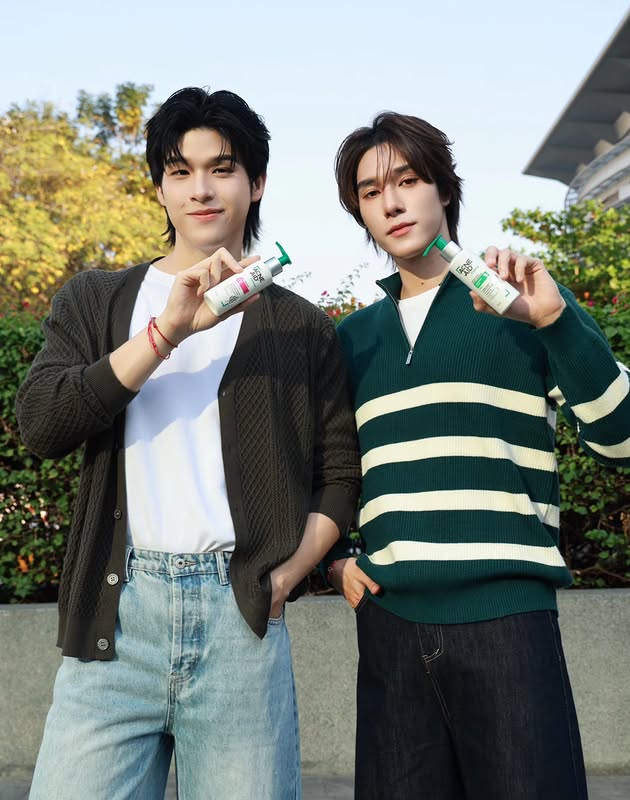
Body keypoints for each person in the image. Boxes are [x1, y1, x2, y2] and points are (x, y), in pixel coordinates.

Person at [16, 86, 360, 800]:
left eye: (221, 168)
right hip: (116, 618)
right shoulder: (96, 299)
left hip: (241, 617)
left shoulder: (301, 327)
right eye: (180, 171)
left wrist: (285, 577)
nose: (200, 188)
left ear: (256, 182)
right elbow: (42, 424)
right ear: (160, 188)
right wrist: (167, 332)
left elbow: (337, 473)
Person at [327, 111, 630, 800]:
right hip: (390, 627)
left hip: (508, 624)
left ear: (444, 189)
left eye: (409, 180)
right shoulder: (353, 338)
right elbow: (330, 468)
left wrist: (555, 322)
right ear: (360, 212)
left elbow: (629, 441)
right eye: (371, 191)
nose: (392, 201)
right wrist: (337, 558)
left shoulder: (523, 306)